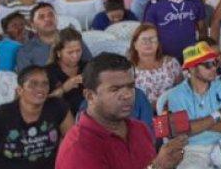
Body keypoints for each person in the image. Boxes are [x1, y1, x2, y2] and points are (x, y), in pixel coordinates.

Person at [55, 53, 187, 169]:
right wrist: (157, 167)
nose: (127, 95)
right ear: (90, 96)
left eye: (130, 86)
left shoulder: (140, 129)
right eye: (115, 89)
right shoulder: (78, 148)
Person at [0, 65, 73, 169]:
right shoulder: (3, 115)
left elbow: (73, 141)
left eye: (44, 84)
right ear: (20, 90)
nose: (40, 88)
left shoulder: (57, 107)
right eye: (33, 84)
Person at [162, 41, 221, 157]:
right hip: (191, 150)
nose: (214, 68)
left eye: (215, 63)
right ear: (192, 69)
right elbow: (183, 131)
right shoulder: (175, 95)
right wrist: (217, 116)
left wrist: (194, 124)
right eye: (208, 65)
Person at [142, 0, 208, 60]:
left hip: (191, 57)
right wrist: (158, 57)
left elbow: (202, 30)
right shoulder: (154, 5)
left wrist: (200, 55)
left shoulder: (195, 1)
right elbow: (148, 36)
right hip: (164, 58)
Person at [127, 23, 182, 106]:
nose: (148, 43)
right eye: (144, 40)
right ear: (135, 45)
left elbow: (182, 90)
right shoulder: (128, 69)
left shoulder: (171, 63)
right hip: (142, 115)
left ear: (158, 43)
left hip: (171, 111)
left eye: (153, 39)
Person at [46, 29, 87, 114]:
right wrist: (64, 88)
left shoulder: (88, 67)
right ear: (58, 53)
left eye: (78, 51)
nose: (75, 56)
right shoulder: (47, 72)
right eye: (70, 52)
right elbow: (41, 102)